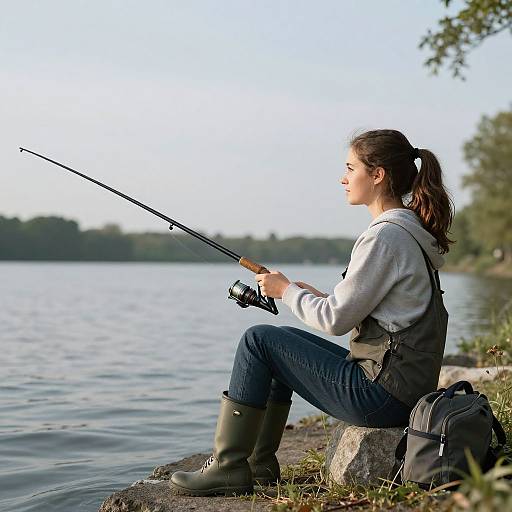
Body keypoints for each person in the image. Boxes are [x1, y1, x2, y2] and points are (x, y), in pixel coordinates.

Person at [169, 129, 453, 496]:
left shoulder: (385, 236)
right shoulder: (407, 230)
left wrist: (285, 291)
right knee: (280, 342)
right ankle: (259, 464)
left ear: (378, 174)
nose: (343, 178)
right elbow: (367, 308)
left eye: (351, 168)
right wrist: (308, 294)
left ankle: (228, 466)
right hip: (400, 389)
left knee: (259, 340)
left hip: (381, 397)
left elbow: (334, 321)